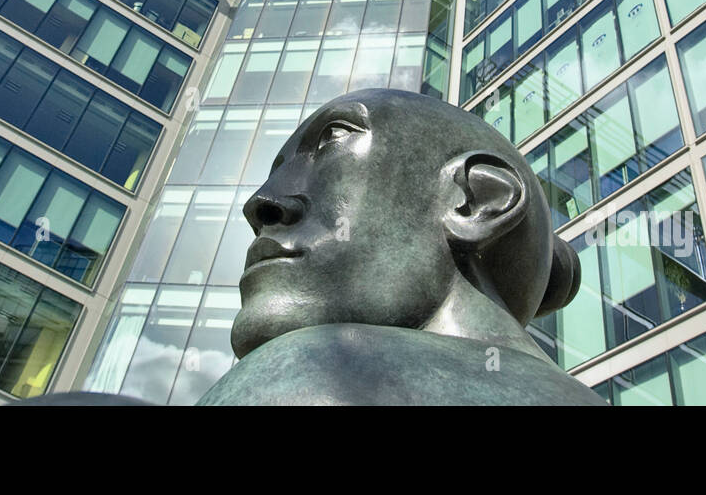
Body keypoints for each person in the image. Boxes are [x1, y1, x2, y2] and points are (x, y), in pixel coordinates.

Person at [196, 88, 606, 405]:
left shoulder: (321, 374)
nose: (261, 204)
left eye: (333, 139)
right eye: (279, 171)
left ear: (476, 202)